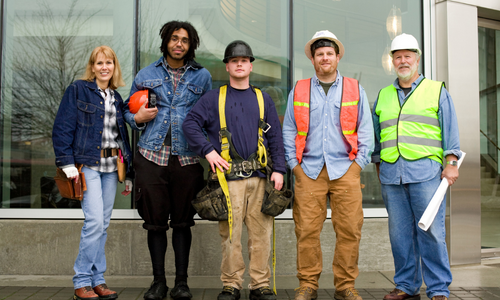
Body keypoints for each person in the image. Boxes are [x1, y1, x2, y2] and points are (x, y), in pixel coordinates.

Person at [183, 40, 286, 300]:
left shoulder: (264, 99)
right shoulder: (212, 99)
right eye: (234, 60)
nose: (239, 64)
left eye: (244, 60)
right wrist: (208, 150)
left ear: (251, 66)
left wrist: (280, 170)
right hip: (228, 181)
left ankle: (260, 285)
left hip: (261, 178)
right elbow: (190, 124)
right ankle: (231, 284)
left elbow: (276, 138)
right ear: (227, 66)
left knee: (261, 235)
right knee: (230, 236)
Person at [282, 30, 374, 300]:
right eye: (319, 54)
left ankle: (345, 286)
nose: (324, 58)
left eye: (329, 54)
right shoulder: (298, 89)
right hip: (308, 172)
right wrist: (294, 166)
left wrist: (357, 166)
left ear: (337, 57)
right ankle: (308, 285)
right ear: (312, 59)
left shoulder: (356, 89)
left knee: (349, 231)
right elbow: (288, 130)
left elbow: (366, 131)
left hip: (346, 170)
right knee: (306, 232)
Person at [122, 21, 211, 300]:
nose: (179, 44)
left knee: (183, 223)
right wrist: (136, 119)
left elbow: (209, 115)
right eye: (174, 39)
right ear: (166, 41)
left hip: (187, 160)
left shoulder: (202, 77)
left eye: (184, 40)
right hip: (151, 156)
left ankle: (181, 283)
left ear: (190, 45)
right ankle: (158, 282)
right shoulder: (146, 73)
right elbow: (127, 109)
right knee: (155, 223)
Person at [372, 33, 460, 300]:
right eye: (397, 56)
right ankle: (406, 285)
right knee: (400, 235)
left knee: (431, 232)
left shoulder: (436, 91)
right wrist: (378, 164)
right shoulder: (383, 95)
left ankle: (438, 288)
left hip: (426, 174)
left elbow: (450, 131)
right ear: (392, 61)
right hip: (391, 175)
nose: (402, 61)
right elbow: (378, 136)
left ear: (417, 59)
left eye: (407, 56)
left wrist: (452, 163)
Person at [52, 45, 133, 300]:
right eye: (99, 63)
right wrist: (67, 164)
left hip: (111, 169)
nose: (104, 67)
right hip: (87, 166)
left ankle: (98, 280)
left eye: (109, 63)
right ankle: (82, 280)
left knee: (103, 224)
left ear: (114, 67)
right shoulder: (78, 90)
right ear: (92, 67)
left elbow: (122, 138)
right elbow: (62, 128)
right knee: (95, 222)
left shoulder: (116, 98)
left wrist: (127, 172)